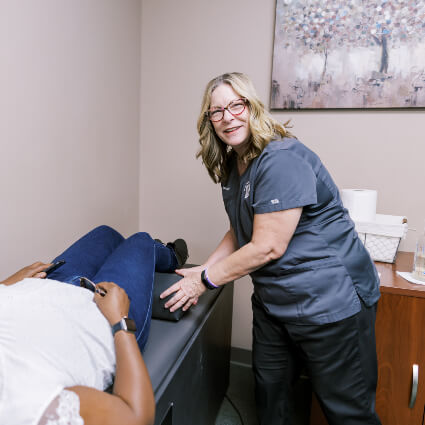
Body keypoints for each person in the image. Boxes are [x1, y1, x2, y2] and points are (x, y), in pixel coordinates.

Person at [161, 72, 382, 425]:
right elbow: (241, 228)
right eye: (216, 111)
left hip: (330, 301)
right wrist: (201, 268)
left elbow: (267, 246)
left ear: (252, 107)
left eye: (236, 105)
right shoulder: (235, 164)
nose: (227, 117)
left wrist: (203, 281)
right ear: (209, 121)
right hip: (274, 302)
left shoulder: (281, 158)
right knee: (270, 395)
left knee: (347, 411)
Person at [0, 225, 188, 425]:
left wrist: (5, 285)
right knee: (141, 241)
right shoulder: (23, 405)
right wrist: (121, 322)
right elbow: (137, 418)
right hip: (104, 311)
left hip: (48, 283)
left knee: (106, 234)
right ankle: (170, 257)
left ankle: (148, 254)